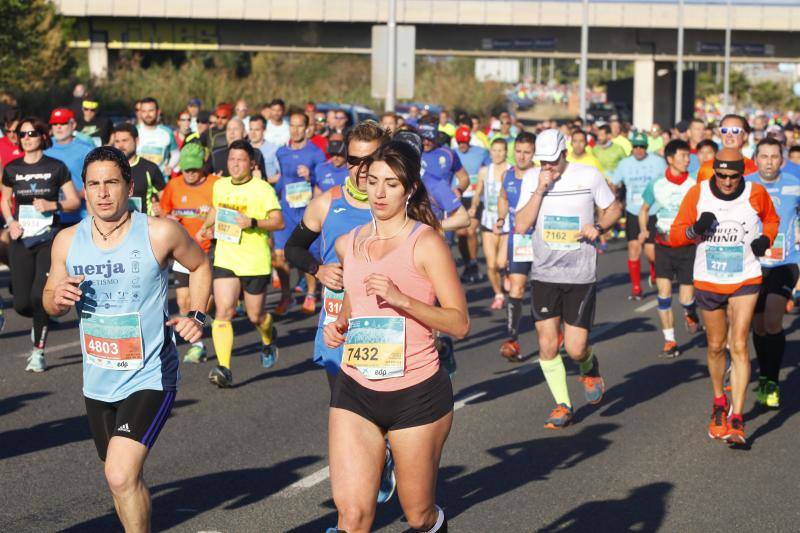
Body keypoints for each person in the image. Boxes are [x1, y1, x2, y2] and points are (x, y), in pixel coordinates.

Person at [42, 145, 212, 533]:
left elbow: (200, 265)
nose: (102, 193)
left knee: (120, 475)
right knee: (121, 481)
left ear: (128, 185)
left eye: (111, 183)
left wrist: (198, 315)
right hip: (98, 379)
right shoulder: (67, 241)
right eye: (94, 184)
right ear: (84, 190)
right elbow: (50, 301)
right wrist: (58, 299)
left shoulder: (159, 231)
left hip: (149, 375)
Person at [322, 138, 469, 533]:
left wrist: (402, 299)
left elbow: (459, 323)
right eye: (373, 181)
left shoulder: (426, 243)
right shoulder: (348, 243)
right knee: (352, 516)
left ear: (411, 188)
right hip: (356, 388)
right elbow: (357, 298)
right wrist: (342, 324)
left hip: (416, 393)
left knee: (417, 514)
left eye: (391, 183)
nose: (380, 192)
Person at [670, 148, 779, 446]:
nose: (728, 182)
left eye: (733, 176)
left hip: (745, 277)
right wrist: (695, 229)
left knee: (740, 344)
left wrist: (764, 239)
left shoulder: (756, 193)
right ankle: (719, 401)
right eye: (722, 175)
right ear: (714, 172)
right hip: (709, 279)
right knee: (717, 346)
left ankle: (737, 417)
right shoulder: (698, 193)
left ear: (742, 173)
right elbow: (675, 235)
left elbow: (771, 220)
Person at [515, 129, 622, 429]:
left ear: (564, 154)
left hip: (580, 274)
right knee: (547, 345)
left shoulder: (588, 175)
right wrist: (539, 190)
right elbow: (521, 225)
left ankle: (589, 365)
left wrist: (598, 226)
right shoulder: (532, 180)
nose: (547, 167)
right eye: (543, 162)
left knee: (575, 348)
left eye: (552, 162)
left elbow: (613, 208)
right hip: (545, 274)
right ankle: (563, 404)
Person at [197, 140, 284, 388]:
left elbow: (278, 221)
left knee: (256, 316)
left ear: (252, 163)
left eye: (241, 160)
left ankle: (268, 336)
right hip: (226, 256)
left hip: (255, 260)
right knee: (223, 312)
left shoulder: (263, 189)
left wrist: (253, 222)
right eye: (232, 159)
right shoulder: (221, 185)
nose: (235, 164)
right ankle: (224, 368)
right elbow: (216, 209)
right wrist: (206, 225)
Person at [1, 117, 80, 371]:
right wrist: (11, 221)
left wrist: (52, 205)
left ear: (42, 137)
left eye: (32, 133)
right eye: (22, 134)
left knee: (39, 296)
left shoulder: (57, 167)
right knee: (22, 303)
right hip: (22, 238)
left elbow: (74, 202)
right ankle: (38, 320)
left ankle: (38, 352)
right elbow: (4, 199)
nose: (26, 138)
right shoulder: (11, 168)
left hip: (49, 239)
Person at [745, 137, 800, 408]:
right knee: (757, 326)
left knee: (772, 321)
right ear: (756, 159)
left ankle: (772, 380)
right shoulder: (746, 185)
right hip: (753, 265)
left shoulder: (794, 184)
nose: (769, 161)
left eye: (774, 156)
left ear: (782, 159)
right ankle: (765, 373)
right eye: (764, 156)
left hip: (784, 263)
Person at [638, 140, 700, 358]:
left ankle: (690, 311)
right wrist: (644, 229)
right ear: (670, 158)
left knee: (685, 298)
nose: (687, 160)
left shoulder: (694, 184)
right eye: (683, 156)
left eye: (688, 156)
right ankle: (670, 340)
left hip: (687, 247)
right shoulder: (656, 184)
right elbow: (643, 209)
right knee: (663, 294)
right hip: (663, 245)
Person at [159, 143, 219, 363]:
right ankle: (197, 345)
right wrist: (167, 218)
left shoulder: (216, 184)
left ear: (203, 165)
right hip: (184, 252)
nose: (191, 174)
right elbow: (164, 210)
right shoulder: (173, 185)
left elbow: (231, 210)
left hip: (211, 250)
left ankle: (205, 314)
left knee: (205, 300)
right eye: (187, 169)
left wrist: (216, 226)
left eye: (195, 169)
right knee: (184, 301)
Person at [273, 110, 327, 315]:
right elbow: (281, 179)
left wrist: (310, 176)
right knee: (279, 256)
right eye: (292, 126)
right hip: (286, 210)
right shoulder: (281, 152)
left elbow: (322, 180)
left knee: (308, 255)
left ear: (307, 128)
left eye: (299, 126)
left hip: (306, 211)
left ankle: (311, 294)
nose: (295, 130)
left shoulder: (315, 153)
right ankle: (286, 295)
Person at [495, 132, 537, 362]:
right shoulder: (507, 175)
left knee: (542, 291)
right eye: (518, 152)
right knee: (516, 289)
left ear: (534, 154)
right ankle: (512, 340)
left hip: (540, 240)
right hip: (518, 240)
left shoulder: (540, 175)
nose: (522, 157)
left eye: (527, 152)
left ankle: (556, 331)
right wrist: (502, 219)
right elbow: (503, 198)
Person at [610, 132, 666, 299]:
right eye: (636, 146)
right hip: (633, 211)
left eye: (642, 147)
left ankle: (655, 272)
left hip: (653, 210)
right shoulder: (624, 164)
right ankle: (636, 289)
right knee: (634, 248)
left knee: (651, 252)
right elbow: (614, 183)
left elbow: (666, 181)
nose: (639, 150)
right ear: (632, 147)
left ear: (647, 147)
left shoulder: (658, 162)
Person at [472, 137, 511, 310]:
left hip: (507, 222)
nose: (497, 154)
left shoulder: (511, 171)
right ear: (490, 152)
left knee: (501, 263)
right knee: (490, 264)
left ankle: (505, 273)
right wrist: (473, 207)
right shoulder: (484, 171)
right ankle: (498, 294)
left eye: (501, 150)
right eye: (494, 150)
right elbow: (477, 192)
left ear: (506, 152)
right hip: (488, 220)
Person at [454, 125, 491, 283]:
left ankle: (474, 262)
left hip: (476, 198)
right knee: (461, 234)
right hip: (458, 198)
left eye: (465, 141)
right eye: (460, 141)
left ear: (469, 140)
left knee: (470, 231)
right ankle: (468, 263)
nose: (463, 144)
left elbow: (491, 169)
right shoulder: (452, 153)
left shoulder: (481, 152)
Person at [45, 108, 94, 225]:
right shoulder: (44, 147)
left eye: (63, 123)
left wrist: (79, 194)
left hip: (78, 216)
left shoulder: (86, 149)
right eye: (54, 124)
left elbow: (96, 180)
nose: (58, 127)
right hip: (48, 217)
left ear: (73, 125)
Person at [111, 123, 167, 216]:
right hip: (117, 227)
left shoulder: (150, 168)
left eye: (125, 140)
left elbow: (166, 200)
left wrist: (159, 207)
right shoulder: (109, 169)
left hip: (145, 226)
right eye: (117, 141)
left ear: (136, 141)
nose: (120, 145)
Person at [696, 115, 757, 182]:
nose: (729, 135)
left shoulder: (753, 169)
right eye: (724, 130)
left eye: (735, 130)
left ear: (745, 136)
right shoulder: (707, 169)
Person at [136, 97, 179, 177]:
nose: (147, 114)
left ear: (158, 112)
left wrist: (170, 166)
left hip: (160, 181)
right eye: (144, 111)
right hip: (138, 180)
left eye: (151, 110)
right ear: (140, 113)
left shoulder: (167, 132)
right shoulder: (134, 131)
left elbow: (176, 154)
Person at [247, 114, 281, 182]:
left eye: (257, 130)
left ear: (264, 131)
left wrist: (264, 181)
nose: (253, 133)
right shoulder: (243, 149)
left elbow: (282, 174)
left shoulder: (274, 149)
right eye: (251, 129)